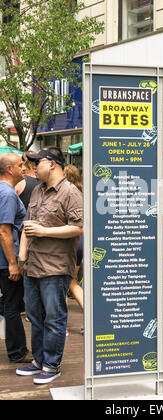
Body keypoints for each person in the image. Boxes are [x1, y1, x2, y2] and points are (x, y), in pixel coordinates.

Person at [16, 146, 83, 385]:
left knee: (54, 319)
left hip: (55, 268)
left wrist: (45, 231)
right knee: (35, 316)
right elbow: (27, 226)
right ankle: (39, 361)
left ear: (52, 163)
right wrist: (21, 257)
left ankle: (52, 365)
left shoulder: (70, 192)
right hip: (33, 266)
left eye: (37, 162)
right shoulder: (37, 191)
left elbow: (79, 227)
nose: (33, 167)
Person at [0, 153, 30, 363]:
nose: (25, 167)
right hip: (5, 260)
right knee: (12, 304)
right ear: (9, 169)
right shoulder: (8, 194)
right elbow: (4, 230)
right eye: (21, 165)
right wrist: (13, 263)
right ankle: (18, 352)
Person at [63, 164, 83, 312]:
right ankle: (90, 320)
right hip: (82, 241)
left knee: (64, 283)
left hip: (70, 241)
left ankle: (61, 327)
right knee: (72, 281)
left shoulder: (66, 192)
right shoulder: (84, 191)